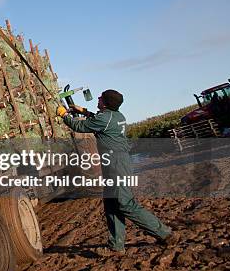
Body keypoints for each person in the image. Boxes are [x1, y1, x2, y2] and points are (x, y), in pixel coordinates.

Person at [56, 89, 179, 255]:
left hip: (116, 166)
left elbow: (79, 126)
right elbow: (98, 119)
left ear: (105, 103)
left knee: (125, 204)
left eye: (101, 97)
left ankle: (165, 234)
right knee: (112, 204)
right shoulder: (117, 116)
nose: (98, 98)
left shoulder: (105, 119)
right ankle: (116, 245)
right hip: (115, 164)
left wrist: (64, 115)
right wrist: (83, 111)